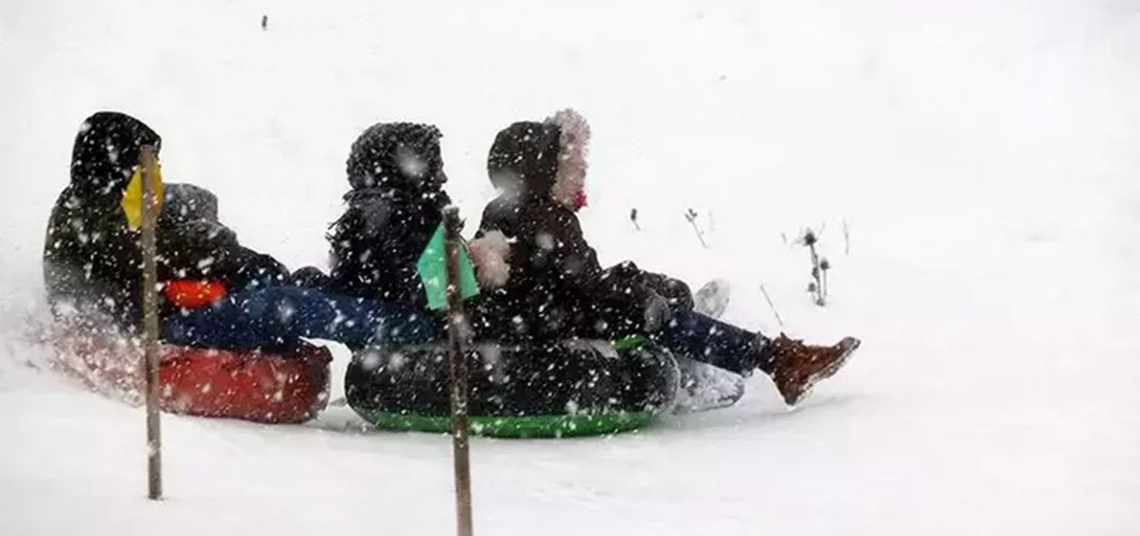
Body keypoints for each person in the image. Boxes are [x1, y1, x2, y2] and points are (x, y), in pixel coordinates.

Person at [468, 109, 860, 406]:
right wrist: (640, 289)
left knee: (655, 297)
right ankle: (777, 361)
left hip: (539, 314)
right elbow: (584, 281)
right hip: (554, 320)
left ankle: (715, 344)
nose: (578, 171)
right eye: (566, 163)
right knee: (653, 312)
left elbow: (559, 274)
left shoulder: (502, 210)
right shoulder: (546, 215)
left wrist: (633, 280)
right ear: (543, 167)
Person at [43, 111, 433, 351]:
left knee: (272, 284)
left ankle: (351, 309)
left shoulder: (116, 202)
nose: (156, 171)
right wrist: (217, 245)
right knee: (283, 305)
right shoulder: (93, 213)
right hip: (155, 321)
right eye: (150, 162)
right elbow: (151, 253)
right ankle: (391, 324)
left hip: (172, 305)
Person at [326, 122, 453, 313]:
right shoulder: (410, 218)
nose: (444, 178)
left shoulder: (364, 217)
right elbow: (435, 298)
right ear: (406, 172)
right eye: (434, 167)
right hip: (417, 334)